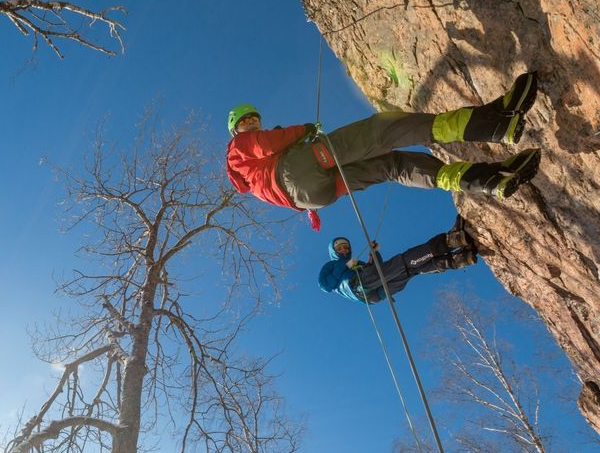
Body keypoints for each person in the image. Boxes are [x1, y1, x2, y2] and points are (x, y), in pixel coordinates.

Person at [226, 72, 541, 229]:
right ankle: (494, 123)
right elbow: (265, 143)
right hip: (297, 170)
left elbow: (286, 186)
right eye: (245, 122)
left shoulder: (252, 181)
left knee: (391, 165)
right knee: (381, 131)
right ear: (235, 129)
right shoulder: (237, 149)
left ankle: (488, 179)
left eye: (255, 119)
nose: (252, 124)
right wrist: (302, 131)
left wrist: (312, 204)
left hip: (313, 198)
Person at [318, 217, 477, 303]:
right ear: (334, 251)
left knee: (410, 270)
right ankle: (450, 241)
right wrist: (344, 265)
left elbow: (377, 268)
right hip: (358, 285)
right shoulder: (331, 265)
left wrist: (374, 253)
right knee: (403, 261)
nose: (344, 250)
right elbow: (325, 286)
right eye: (339, 248)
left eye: (346, 247)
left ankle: (457, 260)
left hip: (376, 292)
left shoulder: (355, 264)